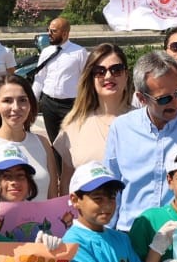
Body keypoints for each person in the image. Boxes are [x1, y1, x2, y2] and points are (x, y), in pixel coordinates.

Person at [105, 51, 177, 227]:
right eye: (164, 99)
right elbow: (111, 187)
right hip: (131, 233)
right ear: (142, 98)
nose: (175, 102)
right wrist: (108, 234)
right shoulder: (121, 128)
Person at [53, 43, 133, 190]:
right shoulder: (72, 125)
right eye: (100, 71)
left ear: (126, 75)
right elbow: (66, 184)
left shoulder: (145, 122)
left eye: (116, 70)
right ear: (90, 78)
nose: (108, 76)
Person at [0, 74, 59, 198]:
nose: (16, 107)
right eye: (7, 101)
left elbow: (53, 198)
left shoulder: (43, 143)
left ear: (30, 105)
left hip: (43, 218)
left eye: (22, 100)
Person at [34, 16, 89, 138]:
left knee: (71, 141)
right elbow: (39, 79)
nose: (49, 34)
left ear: (65, 33)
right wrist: (33, 101)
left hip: (70, 106)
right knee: (53, 142)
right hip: (48, 104)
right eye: (49, 30)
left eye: (53, 31)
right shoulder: (46, 52)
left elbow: (85, 80)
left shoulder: (79, 52)